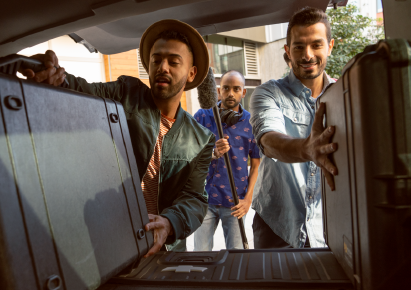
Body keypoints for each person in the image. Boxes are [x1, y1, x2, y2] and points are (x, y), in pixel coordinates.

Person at [22, 19, 215, 257]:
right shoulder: (125, 93)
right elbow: (84, 90)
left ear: (191, 73)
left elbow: (194, 198)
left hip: (163, 249)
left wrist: (168, 223)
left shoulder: (201, 139)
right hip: (108, 240)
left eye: (174, 62)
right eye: (156, 60)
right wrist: (58, 79)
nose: (162, 67)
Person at [249, 7, 338, 249]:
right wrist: (307, 149)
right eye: (298, 46)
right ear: (287, 51)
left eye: (316, 45)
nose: (307, 55)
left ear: (330, 46)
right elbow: (268, 139)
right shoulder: (267, 93)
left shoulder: (345, 96)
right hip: (276, 227)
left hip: (328, 228)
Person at [192, 70, 260, 250]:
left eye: (236, 89)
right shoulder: (202, 117)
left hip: (235, 203)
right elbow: (188, 154)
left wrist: (248, 200)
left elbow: (256, 165)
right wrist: (212, 153)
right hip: (203, 199)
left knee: (236, 259)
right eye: (226, 88)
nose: (231, 93)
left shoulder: (252, 122)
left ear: (243, 92)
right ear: (218, 91)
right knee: (200, 255)